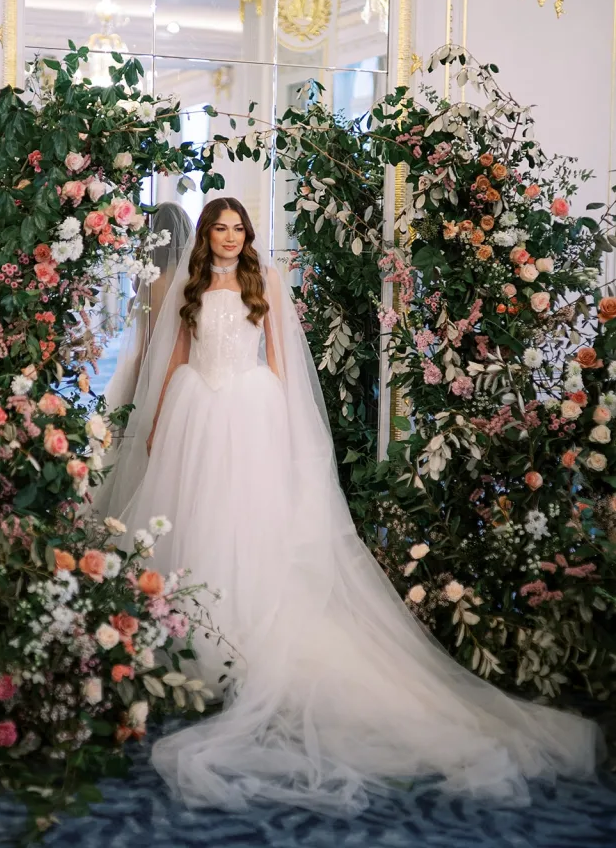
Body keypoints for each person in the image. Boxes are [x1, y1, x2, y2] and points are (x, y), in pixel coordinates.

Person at [107, 196, 602, 816]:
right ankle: (193, 626)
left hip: (252, 410)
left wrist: (289, 427)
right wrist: (157, 421)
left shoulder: (267, 280)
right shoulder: (191, 287)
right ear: (205, 235)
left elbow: (284, 363)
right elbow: (178, 355)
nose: (230, 238)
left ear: (247, 235)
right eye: (220, 228)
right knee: (190, 512)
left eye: (238, 228)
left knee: (247, 518)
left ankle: (242, 627)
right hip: (195, 410)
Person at [103, 201, 193, 413]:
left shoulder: (155, 282)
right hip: (190, 368)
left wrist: (136, 379)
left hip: (159, 366)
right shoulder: (195, 280)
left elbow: (149, 340)